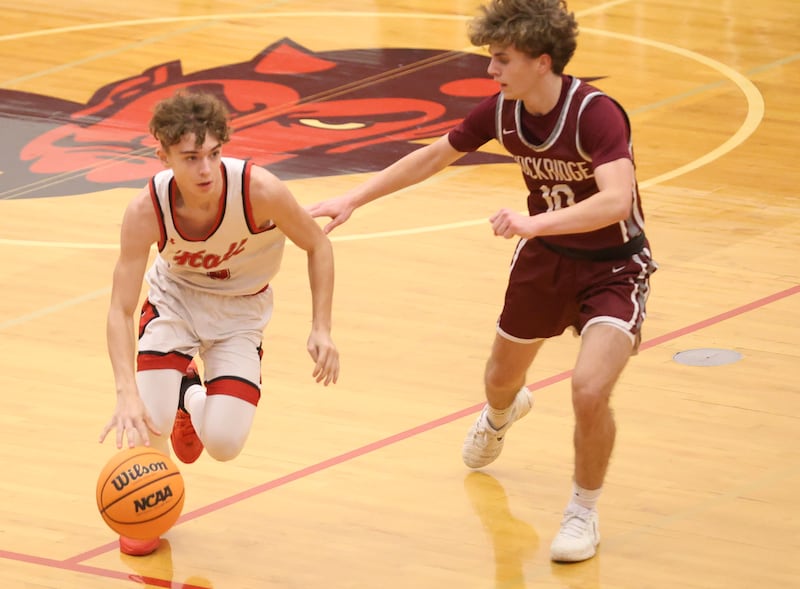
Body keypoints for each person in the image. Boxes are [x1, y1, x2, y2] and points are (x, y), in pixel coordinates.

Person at [308, 0, 656, 563]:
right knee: (499, 381)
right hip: (545, 263)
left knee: (589, 389)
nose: (491, 70)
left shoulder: (596, 113)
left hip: (615, 265)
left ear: (542, 62)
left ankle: (582, 511)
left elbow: (616, 200)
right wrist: (354, 197)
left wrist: (532, 222)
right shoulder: (502, 112)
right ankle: (502, 413)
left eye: (501, 59)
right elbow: (432, 157)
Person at [99, 90, 339, 556]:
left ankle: (190, 394)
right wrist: (124, 390)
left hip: (240, 312)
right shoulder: (147, 209)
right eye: (190, 158)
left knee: (226, 444)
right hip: (176, 303)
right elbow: (119, 309)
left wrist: (321, 327)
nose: (205, 170)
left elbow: (319, 245)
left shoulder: (260, 191)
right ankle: (151, 512)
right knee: (149, 422)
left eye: (213, 154)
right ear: (163, 154)